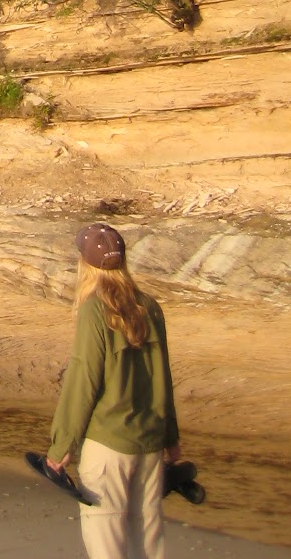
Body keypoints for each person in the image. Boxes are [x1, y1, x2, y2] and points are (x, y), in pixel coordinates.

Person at [46, 222, 182, 559]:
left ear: (84, 263)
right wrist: (171, 438)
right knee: (147, 548)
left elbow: (83, 379)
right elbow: (162, 374)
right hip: (149, 446)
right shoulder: (150, 306)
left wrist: (62, 444)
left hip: (107, 447)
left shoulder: (94, 309)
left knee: (108, 548)